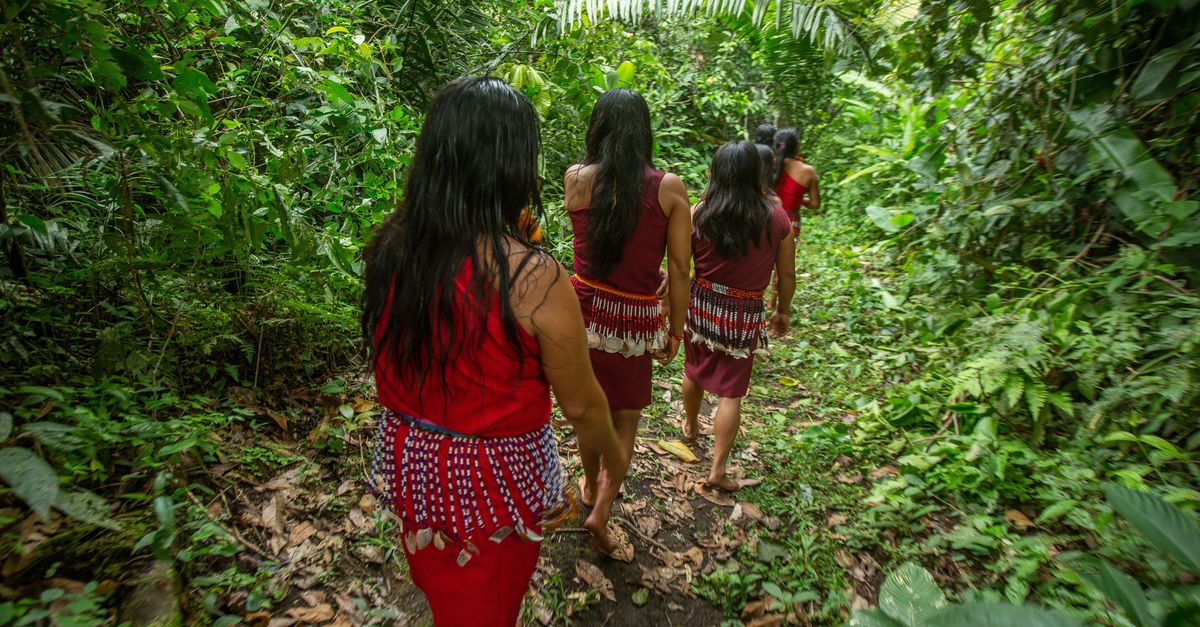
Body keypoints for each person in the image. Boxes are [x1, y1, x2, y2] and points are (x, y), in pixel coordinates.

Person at [362, 76, 627, 626]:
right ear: (511, 167)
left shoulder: (391, 251)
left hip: (419, 471)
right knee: (486, 607)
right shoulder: (533, 279)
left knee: (445, 591)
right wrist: (608, 459)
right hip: (490, 486)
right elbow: (582, 406)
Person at [564, 88, 691, 550]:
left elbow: (597, 242)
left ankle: (586, 479)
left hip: (581, 314)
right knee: (625, 419)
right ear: (644, 131)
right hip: (632, 323)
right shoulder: (669, 188)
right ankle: (602, 508)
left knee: (588, 413)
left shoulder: (576, 177)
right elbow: (679, 268)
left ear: (596, 128)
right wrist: (675, 329)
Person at [681, 140, 796, 491]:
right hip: (743, 313)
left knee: (694, 370)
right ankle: (718, 469)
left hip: (700, 306)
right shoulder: (777, 218)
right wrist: (783, 310)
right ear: (755, 173)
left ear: (717, 172)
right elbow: (787, 275)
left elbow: (677, 260)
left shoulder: (699, 211)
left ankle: (690, 426)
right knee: (732, 392)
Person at [772, 127, 821, 237]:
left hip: (767, 219)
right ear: (797, 147)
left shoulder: (768, 164)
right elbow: (815, 204)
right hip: (791, 224)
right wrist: (798, 199)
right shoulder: (808, 171)